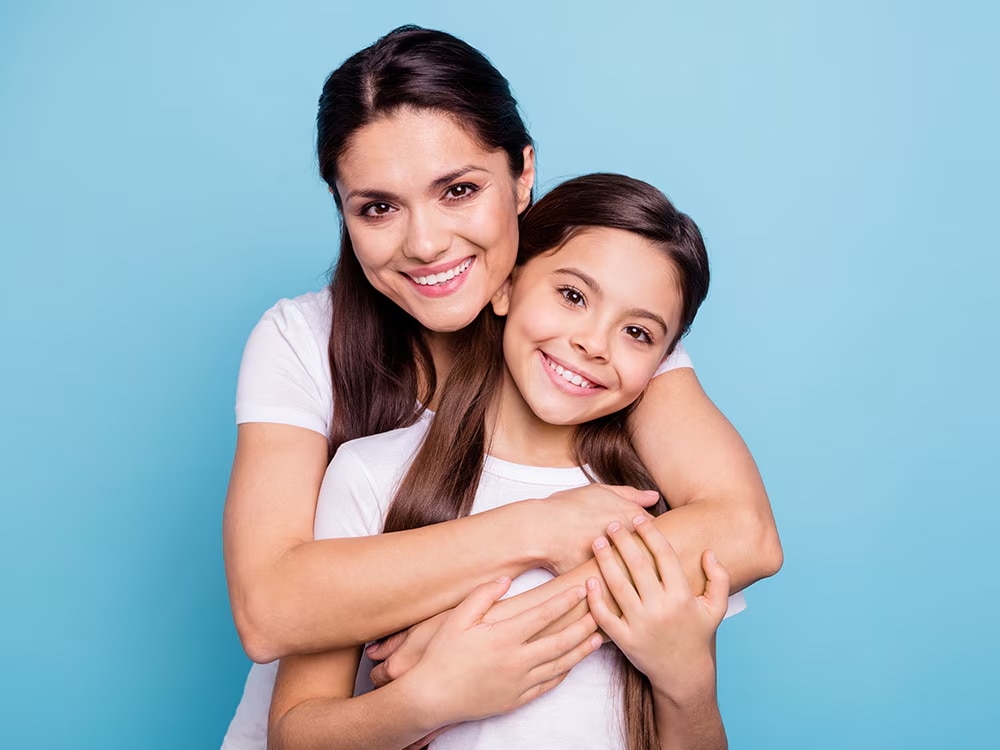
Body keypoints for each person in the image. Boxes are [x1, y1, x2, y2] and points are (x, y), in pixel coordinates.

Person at [222, 24, 781, 748]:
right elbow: (270, 608)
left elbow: (745, 532)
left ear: (522, 176)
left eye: (458, 190)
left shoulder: (592, 340)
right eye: (378, 207)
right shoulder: (305, 347)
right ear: (343, 211)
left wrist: (506, 639)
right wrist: (537, 533)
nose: (425, 244)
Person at [270, 173, 736, 750]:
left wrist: (688, 683)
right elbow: (294, 735)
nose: (594, 343)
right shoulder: (371, 474)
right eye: (572, 296)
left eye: (638, 332)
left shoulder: (658, 509)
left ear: (664, 363)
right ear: (505, 288)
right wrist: (430, 698)